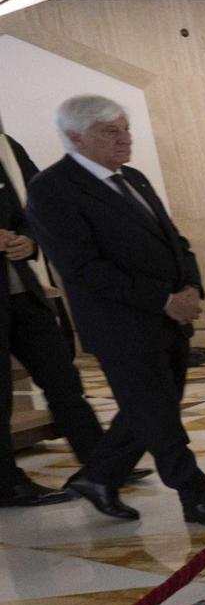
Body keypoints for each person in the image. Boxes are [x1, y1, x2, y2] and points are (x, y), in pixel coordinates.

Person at [26, 95, 205, 525]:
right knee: (157, 414)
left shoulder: (133, 178)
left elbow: (174, 241)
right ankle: (196, 496)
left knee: (152, 407)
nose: (125, 139)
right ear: (75, 137)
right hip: (119, 324)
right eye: (111, 131)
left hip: (168, 317)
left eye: (125, 129)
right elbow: (82, 267)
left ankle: (98, 477)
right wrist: (164, 299)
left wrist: (191, 288)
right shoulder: (52, 188)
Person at [0, 112, 115, 508]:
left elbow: (35, 205)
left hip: (22, 289)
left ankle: (101, 462)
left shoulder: (7, 147)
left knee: (63, 379)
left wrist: (29, 240)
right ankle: (6, 483)